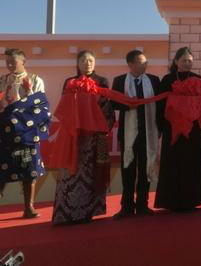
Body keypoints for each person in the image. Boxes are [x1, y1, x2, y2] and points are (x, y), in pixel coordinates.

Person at [52, 51, 115, 224]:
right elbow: (65, 107)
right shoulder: (69, 82)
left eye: (91, 60)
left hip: (94, 136)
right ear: (77, 63)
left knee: (93, 172)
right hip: (73, 135)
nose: (88, 63)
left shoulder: (101, 81)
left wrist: (100, 127)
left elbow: (106, 108)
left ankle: (88, 212)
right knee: (69, 171)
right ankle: (67, 213)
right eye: (84, 60)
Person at [154, 47, 201, 211]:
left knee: (192, 162)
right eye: (184, 60)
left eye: (190, 61)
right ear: (176, 61)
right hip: (172, 128)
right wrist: (160, 126)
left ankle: (193, 199)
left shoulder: (198, 79)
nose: (187, 63)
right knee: (173, 163)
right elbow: (160, 104)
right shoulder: (167, 80)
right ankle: (171, 201)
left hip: (193, 128)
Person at [111, 50, 160, 219]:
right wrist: (128, 105)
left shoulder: (153, 80)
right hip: (128, 133)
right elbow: (113, 103)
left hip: (148, 132)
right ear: (130, 64)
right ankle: (126, 206)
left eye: (146, 62)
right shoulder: (119, 81)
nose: (145, 65)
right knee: (128, 170)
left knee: (146, 168)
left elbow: (160, 105)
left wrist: (159, 128)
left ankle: (142, 205)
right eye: (141, 62)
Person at [0, 49, 49, 218]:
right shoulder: (2, 80)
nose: (9, 64)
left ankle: (29, 207)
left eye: (13, 61)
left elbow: (41, 105)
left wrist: (29, 93)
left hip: (27, 132)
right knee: (2, 169)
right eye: (7, 61)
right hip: (5, 132)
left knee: (30, 170)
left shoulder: (35, 80)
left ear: (23, 61)